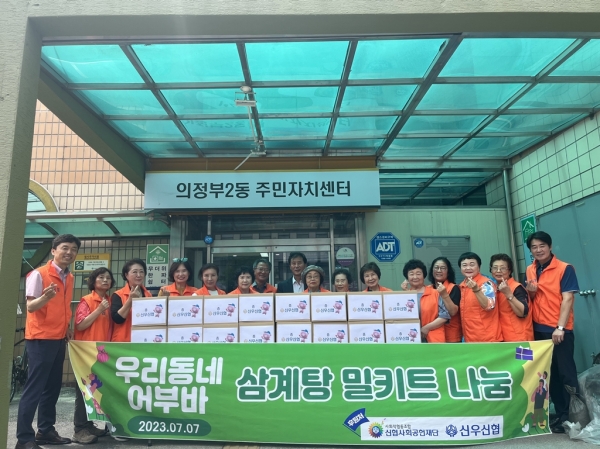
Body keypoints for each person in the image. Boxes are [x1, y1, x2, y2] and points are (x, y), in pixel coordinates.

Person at [17, 234, 80, 449]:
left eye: (73, 249)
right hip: (40, 339)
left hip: (58, 338)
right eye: (65, 248)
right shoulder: (39, 274)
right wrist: (45, 297)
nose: (69, 252)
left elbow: (62, 307)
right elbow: (31, 307)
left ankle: (45, 430)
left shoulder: (69, 277)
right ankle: (24, 439)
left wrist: (66, 328)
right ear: (53, 250)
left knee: (52, 388)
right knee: (34, 389)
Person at [525, 231, 579, 433]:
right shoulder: (530, 269)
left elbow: (568, 299)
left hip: (559, 330)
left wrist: (560, 327)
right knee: (549, 375)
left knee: (566, 374)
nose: (538, 250)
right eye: (534, 247)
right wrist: (531, 292)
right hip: (539, 329)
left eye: (542, 246)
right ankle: (562, 415)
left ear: (550, 247)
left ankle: (576, 416)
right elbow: (533, 298)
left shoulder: (565, 268)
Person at [72, 267, 116, 444]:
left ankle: (89, 425)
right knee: (83, 391)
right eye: (101, 277)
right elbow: (80, 325)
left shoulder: (110, 301)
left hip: (102, 353)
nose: (105, 280)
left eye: (108, 278)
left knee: (94, 390)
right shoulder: (87, 300)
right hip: (86, 353)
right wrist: (98, 310)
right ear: (93, 281)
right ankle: (79, 429)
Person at [458, 252, 502, 342]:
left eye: (472, 264)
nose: (468, 268)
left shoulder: (486, 283)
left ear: (479, 267)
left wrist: (476, 289)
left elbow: (489, 306)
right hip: (469, 339)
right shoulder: (461, 286)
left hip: (487, 339)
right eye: (464, 265)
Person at [403, 259, 450, 343]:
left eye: (418, 273)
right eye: (411, 274)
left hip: (433, 340)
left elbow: (445, 316)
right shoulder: (404, 296)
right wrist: (405, 293)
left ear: (423, 275)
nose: (415, 277)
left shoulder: (435, 293)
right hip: (410, 340)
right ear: (407, 277)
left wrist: (426, 328)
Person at [490, 253, 533, 342]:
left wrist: (508, 294)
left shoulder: (517, 287)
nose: (498, 271)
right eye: (495, 268)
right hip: (504, 339)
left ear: (509, 271)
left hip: (520, 339)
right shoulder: (494, 289)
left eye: (503, 268)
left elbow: (523, 313)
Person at [110, 259, 152, 342]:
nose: (139, 275)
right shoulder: (118, 294)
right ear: (126, 275)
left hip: (144, 340)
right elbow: (117, 319)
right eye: (134, 272)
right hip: (124, 342)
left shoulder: (148, 295)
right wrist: (130, 300)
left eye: (141, 272)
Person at [429, 257, 462, 343]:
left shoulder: (454, 288)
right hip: (432, 335)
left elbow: (453, 312)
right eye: (436, 267)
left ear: (448, 271)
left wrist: (444, 294)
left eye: (443, 268)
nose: (439, 270)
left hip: (450, 336)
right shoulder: (428, 289)